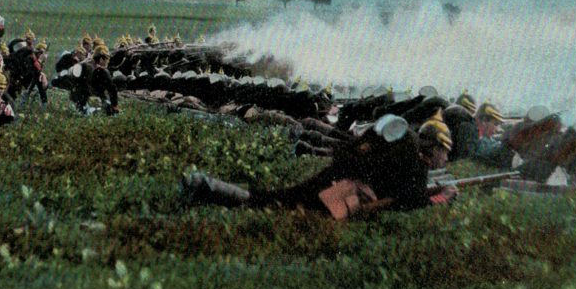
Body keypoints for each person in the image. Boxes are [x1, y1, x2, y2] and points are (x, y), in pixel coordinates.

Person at [181, 114, 458, 218]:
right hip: (344, 193)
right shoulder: (417, 168)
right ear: (434, 147)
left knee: (281, 199)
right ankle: (204, 186)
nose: (445, 158)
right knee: (278, 206)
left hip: (337, 174)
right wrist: (442, 197)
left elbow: (359, 147)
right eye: (444, 151)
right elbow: (409, 201)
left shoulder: (402, 140)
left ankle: (206, 186)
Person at [69, 45, 118, 115]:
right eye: (107, 59)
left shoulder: (83, 65)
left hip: (77, 103)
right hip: (94, 104)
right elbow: (112, 89)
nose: (108, 61)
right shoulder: (102, 70)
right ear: (101, 59)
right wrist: (115, 106)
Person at [16, 40, 50, 108]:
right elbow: (33, 70)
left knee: (39, 84)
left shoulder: (37, 58)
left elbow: (38, 71)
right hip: (24, 78)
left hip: (34, 77)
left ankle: (44, 103)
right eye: (41, 53)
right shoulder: (31, 58)